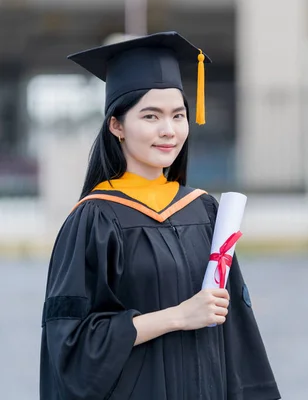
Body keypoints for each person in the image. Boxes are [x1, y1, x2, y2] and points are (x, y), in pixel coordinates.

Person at [39, 31, 280, 400]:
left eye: (178, 115)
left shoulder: (204, 211)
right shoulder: (95, 220)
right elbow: (71, 346)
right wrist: (178, 317)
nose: (168, 130)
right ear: (116, 126)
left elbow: (236, 334)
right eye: (151, 116)